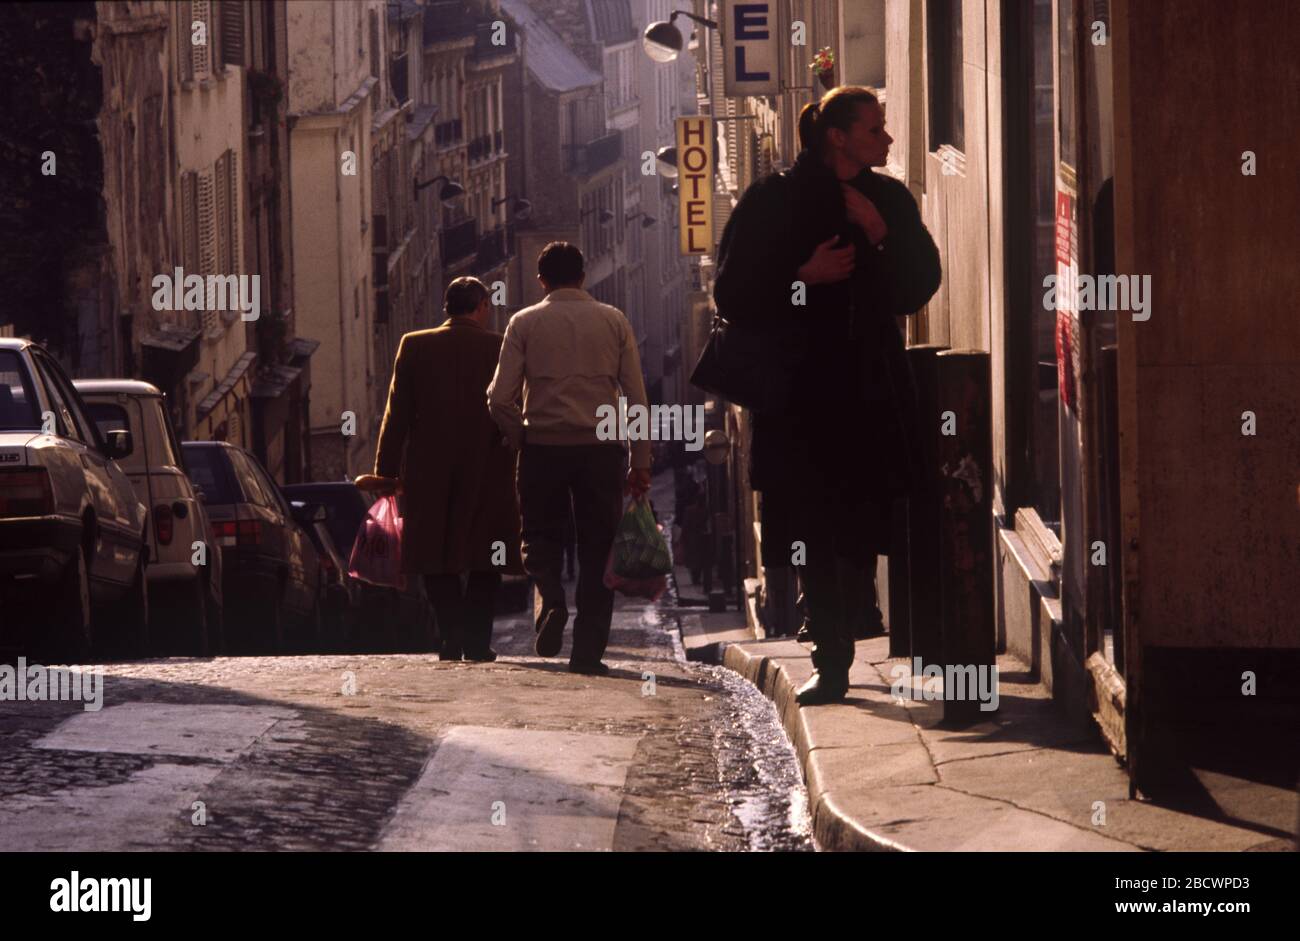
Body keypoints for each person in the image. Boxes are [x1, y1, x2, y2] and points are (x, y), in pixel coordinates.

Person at [712, 85, 941, 704]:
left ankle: (850, 625)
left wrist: (882, 233)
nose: (888, 140)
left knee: (861, 517)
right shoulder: (773, 200)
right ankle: (831, 658)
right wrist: (800, 279)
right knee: (811, 520)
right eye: (875, 129)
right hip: (799, 396)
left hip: (868, 388)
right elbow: (731, 297)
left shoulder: (886, 197)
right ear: (837, 137)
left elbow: (918, 288)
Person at [487, 242, 652, 675]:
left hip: (543, 448)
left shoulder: (523, 322)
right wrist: (641, 461)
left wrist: (520, 435)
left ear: (541, 280)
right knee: (599, 547)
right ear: (583, 276)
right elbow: (636, 397)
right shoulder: (614, 321)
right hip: (600, 451)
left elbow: (498, 397)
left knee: (540, 536)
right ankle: (587, 652)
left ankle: (552, 599)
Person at [367, 277, 524, 662]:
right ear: (482, 307)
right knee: (488, 555)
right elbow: (514, 406)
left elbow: (396, 414)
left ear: (447, 308)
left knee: (435, 553)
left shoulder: (415, 345)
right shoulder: (498, 346)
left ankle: (450, 635)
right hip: (488, 467)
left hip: (429, 469)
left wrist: (385, 471)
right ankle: (476, 639)